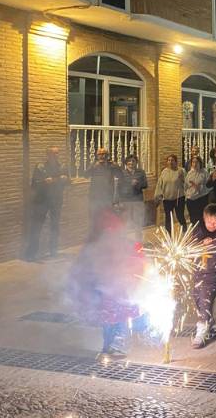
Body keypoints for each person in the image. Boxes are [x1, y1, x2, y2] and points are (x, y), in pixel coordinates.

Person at [69, 208, 144, 360]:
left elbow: (132, 259)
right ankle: (109, 344)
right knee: (108, 316)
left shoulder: (117, 240)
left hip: (116, 284)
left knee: (118, 314)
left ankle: (118, 344)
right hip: (105, 284)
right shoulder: (101, 239)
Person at [191, 203, 216, 349]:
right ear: (204, 219)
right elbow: (190, 244)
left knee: (205, 300)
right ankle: (209, 324)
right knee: (198, 299)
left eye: (215, 222)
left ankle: (201, 332)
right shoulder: (198, 229)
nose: (211, 225)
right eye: (208, 222)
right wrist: (200, 244)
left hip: (214, 273)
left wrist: (215, 242)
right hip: (198, 271)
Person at [27, 146, 69, 261]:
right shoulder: (40, 167)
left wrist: (65, 179)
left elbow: (68, 182)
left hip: (56, 200)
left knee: (55, 226)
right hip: (42, 201)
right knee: (37, 226)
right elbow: (34, 184)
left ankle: (53, 250)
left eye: (57, 153)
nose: (56, 156)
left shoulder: (62, 167)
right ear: (48, 155)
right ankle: (31, 253)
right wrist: (44, 182)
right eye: (53, 153)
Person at [85, 147, 122, 233]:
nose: (102, 156)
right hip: (95, 197)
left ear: (107, 155)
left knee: (107, 218)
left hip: (107, 197)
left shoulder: (111, 166)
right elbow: (85, 175)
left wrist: (117, 166)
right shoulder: (94, 165)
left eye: (104, 154)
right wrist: (93, 166)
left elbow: (120, 176)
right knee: (95, 218)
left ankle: (106, 238)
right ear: (97, 156)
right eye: (100, 154)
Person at [154, 154, 187, 233]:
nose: (170, 162)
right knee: (168, 218)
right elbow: (160, 184)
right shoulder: (164, 172)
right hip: (167, 199)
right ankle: (169, 235)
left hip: (179, 198)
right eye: (169, 160)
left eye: (172, 160)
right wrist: (158, 196)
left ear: (176, 161)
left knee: (180, 216)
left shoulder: (181, 171)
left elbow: (186, 183)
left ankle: (184, 232)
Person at [118, 155, 147, 241]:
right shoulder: (122, 173)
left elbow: (145, 185)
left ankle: (138, 241)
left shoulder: (141, 172)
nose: (131, 163)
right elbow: (119, 186)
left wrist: (137, 184)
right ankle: (124, 241)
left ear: (136, 162)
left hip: (137, 200)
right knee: (125, 221)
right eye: (129, 161)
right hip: (126, 201)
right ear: (126, 163)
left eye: (133, 161)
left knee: (138, 221)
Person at [184, 155, 210, 228]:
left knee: (201, 219)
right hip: (191, 200)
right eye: (193, 162)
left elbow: (209, 187)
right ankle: (195, 235)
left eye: (197, 162)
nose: (195, 164)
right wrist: (187, 195)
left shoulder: (204, 173)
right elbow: (185, 187)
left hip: (201, 199)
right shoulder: (189, 173)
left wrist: (199, 187)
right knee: (193, 219)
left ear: (200, 163)